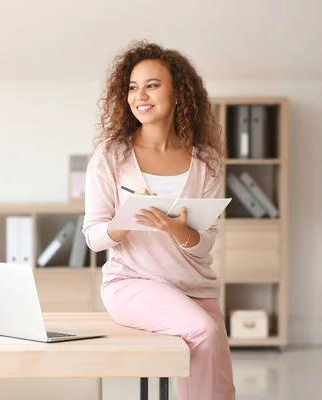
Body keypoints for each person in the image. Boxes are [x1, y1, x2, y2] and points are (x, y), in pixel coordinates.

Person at [82, 40, 236, 400]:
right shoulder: (111, 156)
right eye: (133, 87)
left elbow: (207, 241)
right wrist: (126, 221)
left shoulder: (206, 160)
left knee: (222, 388)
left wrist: (178, 230)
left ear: (178, 93)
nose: (140, 96)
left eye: (152, 85)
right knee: (202, 332)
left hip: (195, 288)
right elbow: (94, 236)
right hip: (133, 284)